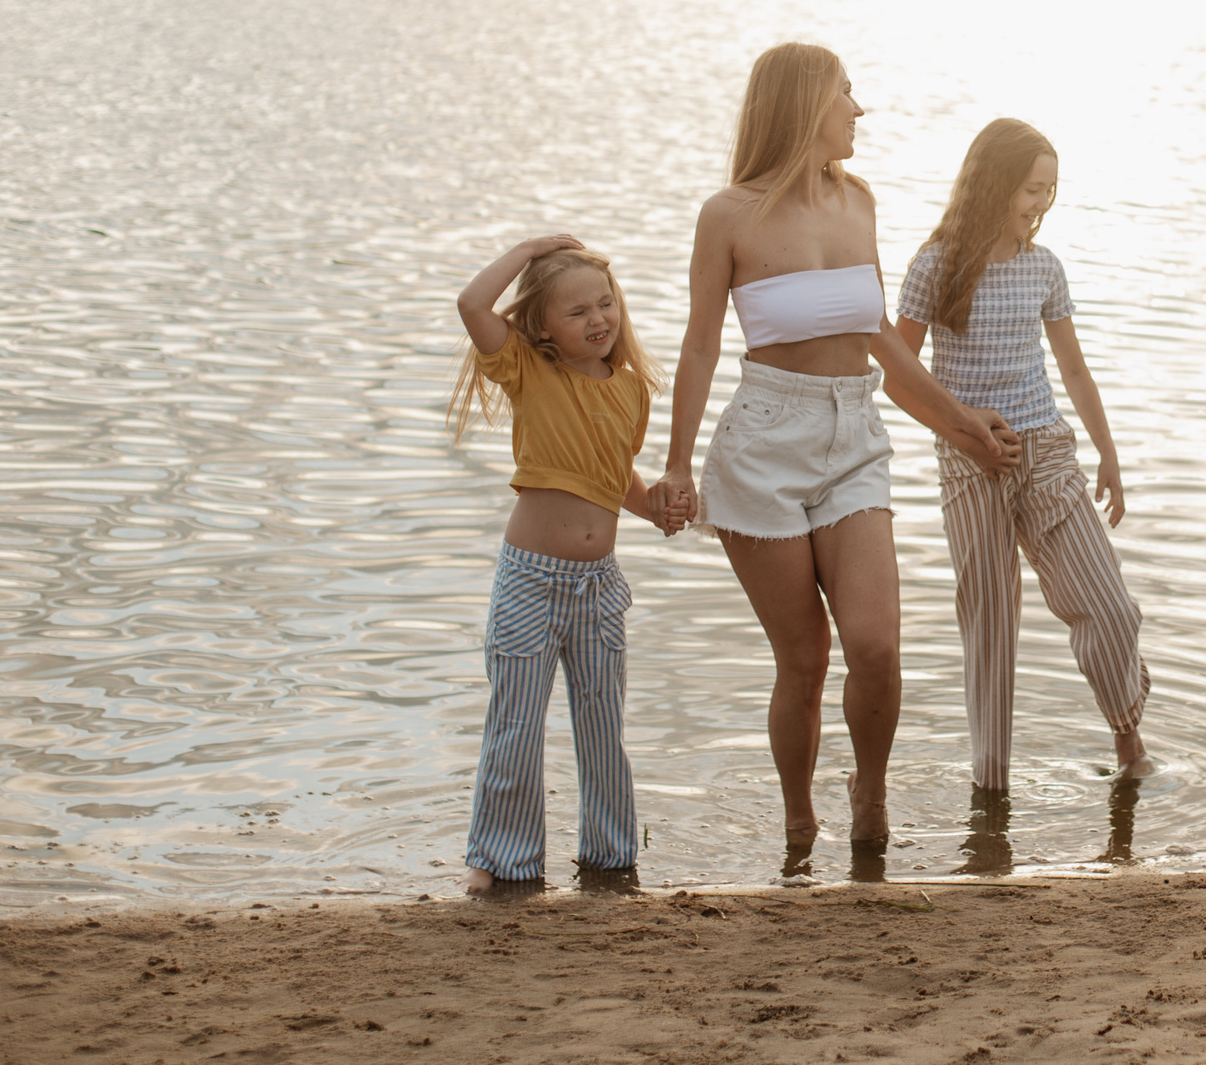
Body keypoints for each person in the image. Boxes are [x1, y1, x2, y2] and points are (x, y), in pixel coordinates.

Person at [649, 44, 1019, 851]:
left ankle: (869, 788)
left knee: (877, 647)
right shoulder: (728, 215)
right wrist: (676, 464)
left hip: (853, 435)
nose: (859, 108)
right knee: (806, 660)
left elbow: (879, 336)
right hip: (763, 444)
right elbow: (701, 347)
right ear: (805, 104)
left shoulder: (860, 202)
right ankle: (797, 820)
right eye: (847, 92)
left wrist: (963, 420)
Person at [895, 118, 1152, 794]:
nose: (1040, 203)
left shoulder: (1044, 268)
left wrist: (1108, 453)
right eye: (1031, 188)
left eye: (1050, 190)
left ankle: (1128, 734)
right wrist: (962, 433)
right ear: (996, 184)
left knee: (1113, 608)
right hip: (970, 459)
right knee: (992, 631)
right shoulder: (935, 266)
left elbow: (1072, 367)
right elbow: (898, 375)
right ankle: (992, 790)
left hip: (1046, 452)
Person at [448, 235, 690, 895]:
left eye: (604, 303)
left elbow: (612, 475)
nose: (597, 319)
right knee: (516, 727)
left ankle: (611, 858)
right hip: (530, 580)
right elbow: (472, 303)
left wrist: (656, 509)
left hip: (598, 586)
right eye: (577, 311)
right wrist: (530, 248)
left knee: (603, 728)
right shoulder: (528, 369)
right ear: (542, 325)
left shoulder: (631, 390)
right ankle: (502, 862)